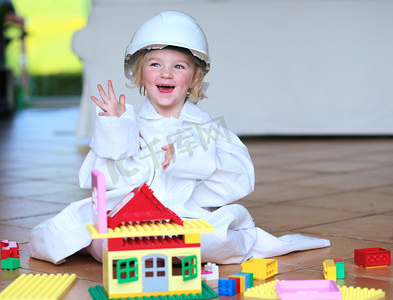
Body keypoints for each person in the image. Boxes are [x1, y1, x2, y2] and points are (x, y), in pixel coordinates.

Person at [29, 10, 330, 265]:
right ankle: (157, 251)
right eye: (155, 64)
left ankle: (162, 251)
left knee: (216, 237)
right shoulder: (129, 122)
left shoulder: (207, 128)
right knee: (95, 237)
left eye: (179, 66)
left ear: (194, 79)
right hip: (131, 218)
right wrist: (116, 128)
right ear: (140, 73)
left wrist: (189, 156)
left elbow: (240, 178)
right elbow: (105, 180)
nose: (167, 73)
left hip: (187, 217)